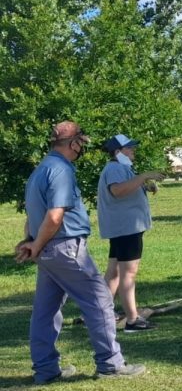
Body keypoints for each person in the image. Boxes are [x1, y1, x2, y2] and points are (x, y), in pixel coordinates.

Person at [14, 121, 145, 383]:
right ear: (73, 143)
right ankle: (110, 365)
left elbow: (33, 214)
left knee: (45, 311)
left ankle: (45, 370)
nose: (82, 148)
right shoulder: (61, 170)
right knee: (100, 300)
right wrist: (35, 244)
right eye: (81, 143)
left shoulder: (40, 169)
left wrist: (31, 241)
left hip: (47, 251)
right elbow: (55, 216)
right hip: (65, 248)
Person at [97, 134, 165, 333]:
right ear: (118, 152)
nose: (133, 150)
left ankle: (100, 313)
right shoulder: (115, 168)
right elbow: (117, 190)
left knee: (114, 272)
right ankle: (132, 321)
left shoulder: (120, 168)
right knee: (129, 273)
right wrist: (144, 176)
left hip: (122, 228)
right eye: (129, 148)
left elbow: (126, 187)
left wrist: (144, 185)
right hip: (127, 228)